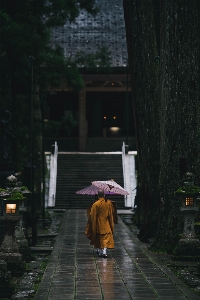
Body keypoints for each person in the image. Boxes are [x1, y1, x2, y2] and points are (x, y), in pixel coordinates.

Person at [90, 189, 114, 258]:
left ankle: (101, 250)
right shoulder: (108, 203)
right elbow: (110, 214)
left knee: (99, 237)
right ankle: (104, 250)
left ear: (98, 196)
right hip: (106, 222)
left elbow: (92, 215)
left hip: (98, 223)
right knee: (106, 237)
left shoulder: (95, 204)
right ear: (104, 195)